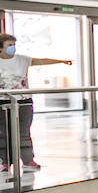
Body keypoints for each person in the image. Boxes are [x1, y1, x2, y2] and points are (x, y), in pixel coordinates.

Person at [0, 33, 72, 177]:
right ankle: (4, 161)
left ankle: (28, 160)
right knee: (3, 132)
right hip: (3, 101)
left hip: (23, 100)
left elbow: (41, 61)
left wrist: (62, 61)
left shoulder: (22, 60)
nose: (12, 48)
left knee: (23, 131)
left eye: (14, 45)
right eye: (9, 45)